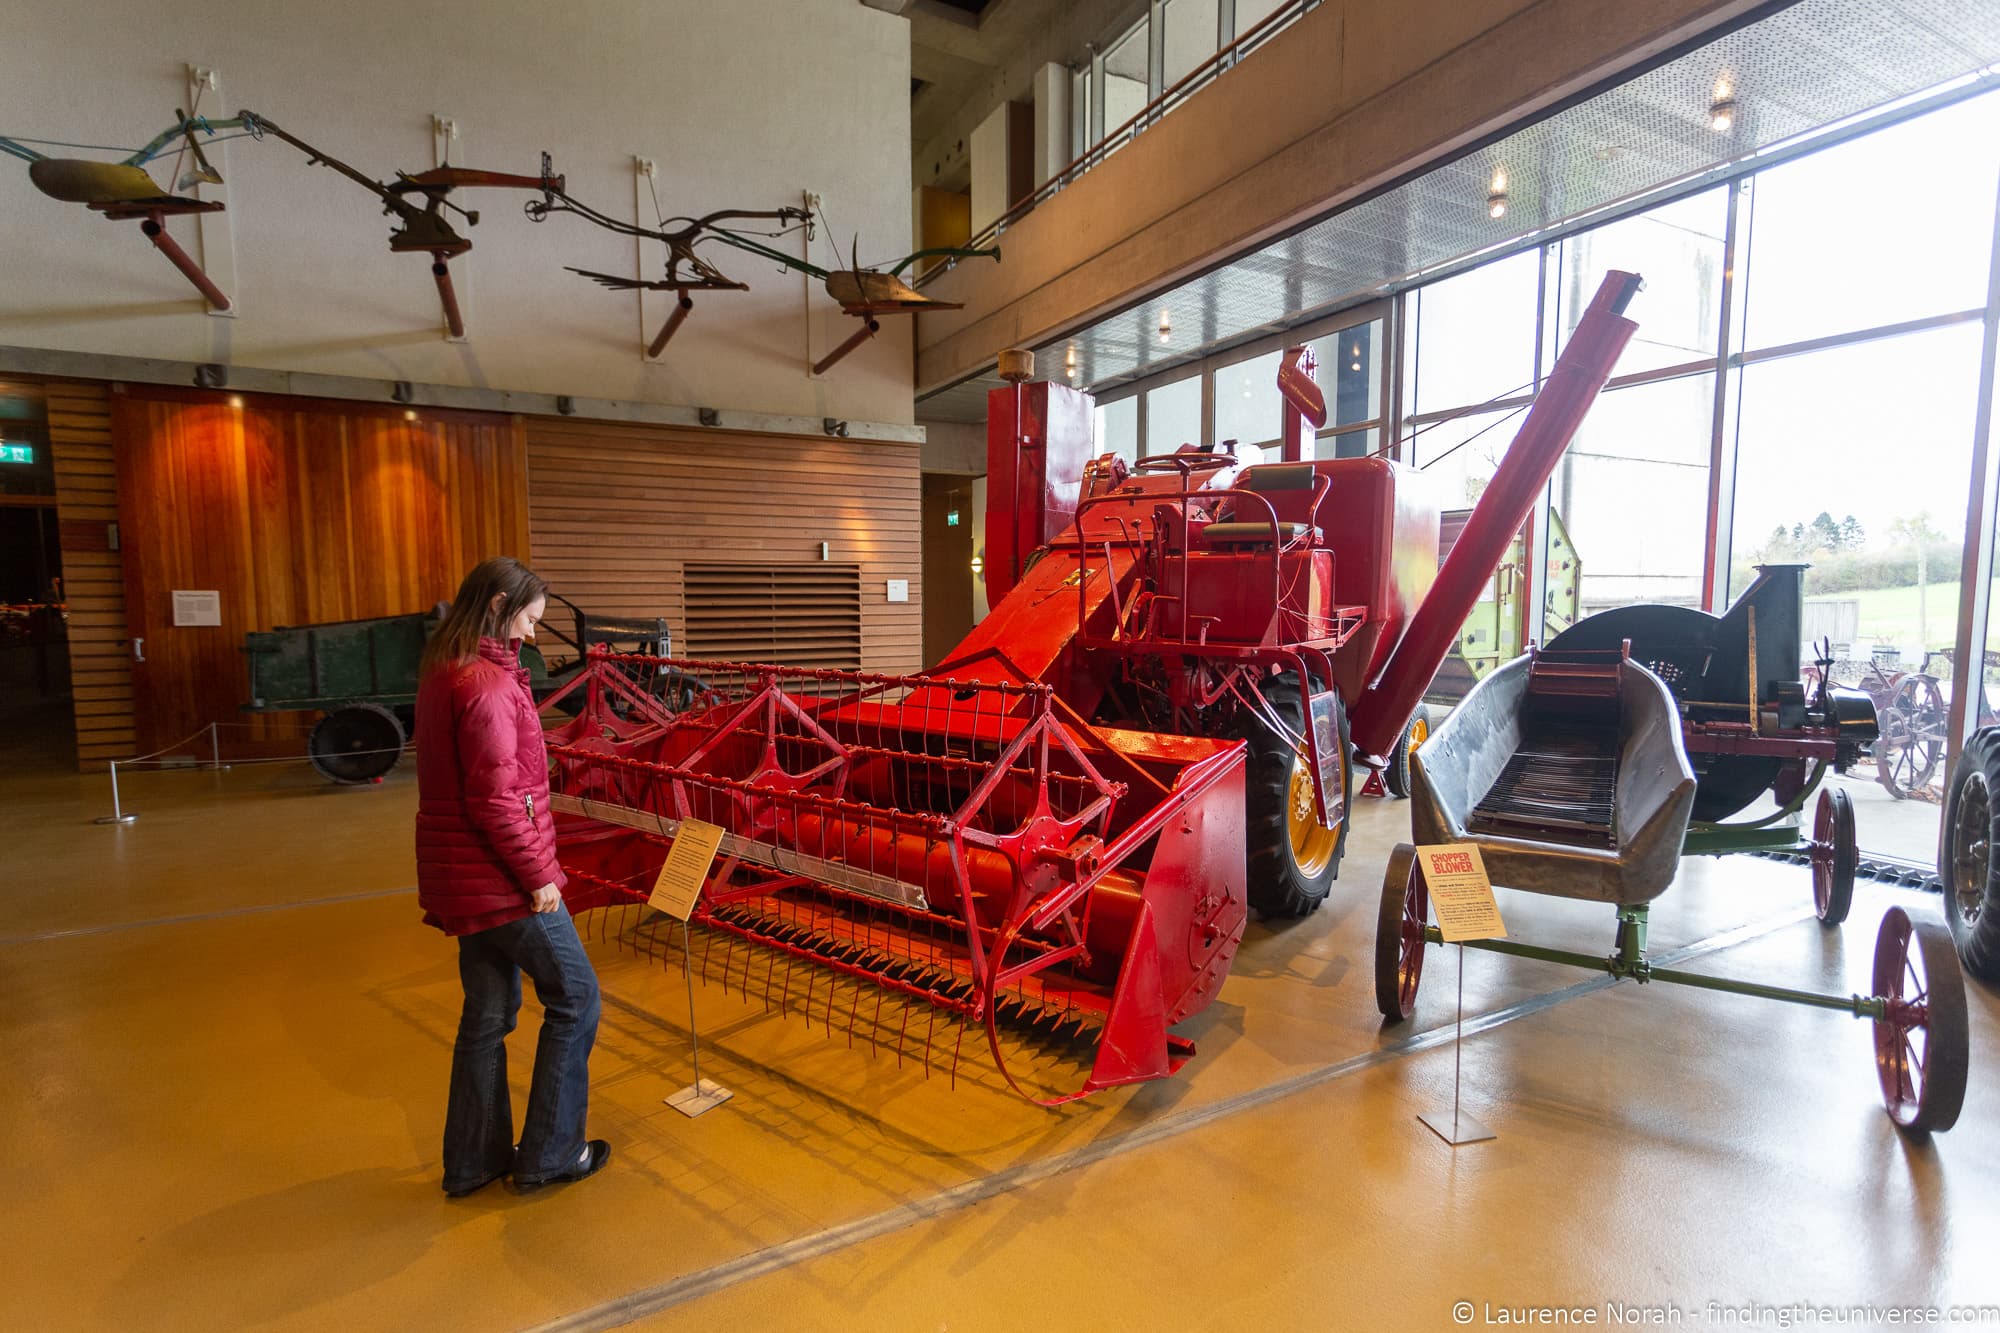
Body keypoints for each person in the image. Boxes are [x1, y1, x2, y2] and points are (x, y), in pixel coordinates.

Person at [414, 556, 609, 1197]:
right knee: (576, 998)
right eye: (527, 619)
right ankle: (552, 1154)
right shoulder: (487, 685)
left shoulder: (445, 670)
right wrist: (540, 874)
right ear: (498, 604)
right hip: (501, 876)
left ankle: (474, 1161)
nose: (530, 635)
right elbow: (496, 800)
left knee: (489, 1013)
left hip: (464, 875)